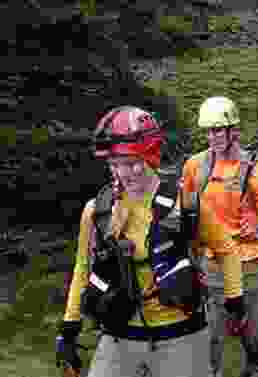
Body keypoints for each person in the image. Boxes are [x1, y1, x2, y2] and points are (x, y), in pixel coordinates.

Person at [55, 106, 232, 377]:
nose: (125, 173)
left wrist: (235, 298)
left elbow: (226, 250)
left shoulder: (185, 203)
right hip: (118, 336)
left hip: (182, 335)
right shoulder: (98, 210)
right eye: (115, 164)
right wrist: (70, 326)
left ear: (151, 155)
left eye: (132, 162)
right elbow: (83, 267)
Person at [180, 96, 258, 377]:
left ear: (233, 131)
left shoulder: (257, 172)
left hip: (251, 266)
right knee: (208, 341)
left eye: (218, 130)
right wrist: (187, 260)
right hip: (213, 267)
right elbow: (185, 213)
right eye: (209, 131)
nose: (212, 137)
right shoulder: (195, 167)